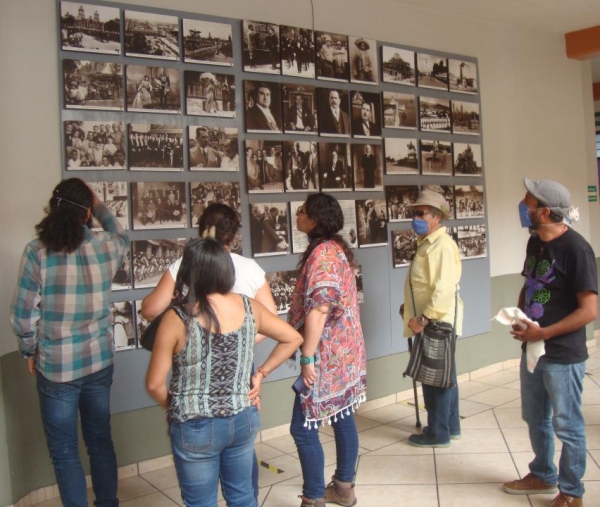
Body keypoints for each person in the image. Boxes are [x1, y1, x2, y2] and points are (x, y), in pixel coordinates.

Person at [145, 237, 302, 507]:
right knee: (242, 497)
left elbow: (154, 385)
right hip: (242, 418)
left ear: (188, 273)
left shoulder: (177, 318)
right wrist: (260, 374)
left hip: (194, 425)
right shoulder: (249, 306)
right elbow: (293, 338)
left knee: (201, 503)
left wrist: (174, 407)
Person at [10, 178, 129, 507]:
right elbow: (122, 234)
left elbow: (22, 315)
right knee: (100, 441)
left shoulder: (37, 252)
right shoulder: (106, 246)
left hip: (57, 368)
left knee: (64, 452)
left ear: (53, 209)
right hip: (99, 362)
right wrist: (100, 204)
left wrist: (29, 349)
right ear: (87, 212)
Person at [503, 179, 597, 507]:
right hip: (533, 348)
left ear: (544, 212)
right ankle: (542, 473)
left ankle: (572, 492)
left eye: (527, 201)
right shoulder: (536, 244)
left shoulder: (577, 250)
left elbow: (590, 310)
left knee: (567, 424)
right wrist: (520, 315)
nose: (522, 206)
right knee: (535, 416)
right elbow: (530, 282)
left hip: (562, 354)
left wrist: (544, 332)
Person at [288, 193, 367, 507]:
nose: (298, 215)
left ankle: (313, 498)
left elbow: (320, 308)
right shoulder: (335, 249)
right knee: (343, 417)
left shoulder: (323, 254)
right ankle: (344, 488)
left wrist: (307, 357)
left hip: (327, 358)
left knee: (303, 428)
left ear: (314, 221)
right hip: (345, 354)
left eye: (302, 211)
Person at [401, 189, 463, 448]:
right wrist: (410, 306)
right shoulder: (428, 243)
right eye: (414, 213)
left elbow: (443, 289)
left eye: (421, 213)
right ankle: (450, 426)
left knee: (433, 378)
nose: (415, 217)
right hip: (430, 317)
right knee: (446, 375)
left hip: (436, 321)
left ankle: (438, 432)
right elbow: (425, 284)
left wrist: (423, 319)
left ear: (437, 218)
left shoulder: (441, 246)